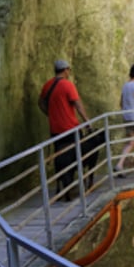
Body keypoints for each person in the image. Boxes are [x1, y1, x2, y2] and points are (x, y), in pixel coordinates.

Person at [39, 59, 93, 198]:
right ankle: (75, 186)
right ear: (65, 70)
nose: (69, 72)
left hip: (55, 130)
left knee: (60, 157)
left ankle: (61, 186)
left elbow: (41, 103)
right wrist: (87, 121)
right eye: (69, 69)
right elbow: (77, 104)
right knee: (77, 157)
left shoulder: (47, 85)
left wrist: (50, 114)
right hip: (70, 128)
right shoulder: (67, 85)